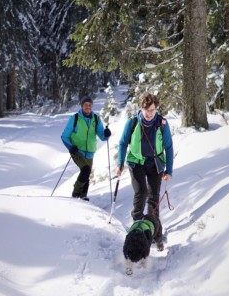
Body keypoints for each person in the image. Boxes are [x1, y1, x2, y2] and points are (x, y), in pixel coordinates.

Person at [116, 93, 173, 250]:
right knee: (141, 192)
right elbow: (122, 143)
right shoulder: (133, 122)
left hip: (155, 163)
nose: (149, 113)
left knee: (154, 195)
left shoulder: (162, 123)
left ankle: (153, 230)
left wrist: (169, 170)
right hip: (136, 162)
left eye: (152, 110)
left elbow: (168, 147)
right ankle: (137, 225)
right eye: (146, 110)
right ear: (141, 108)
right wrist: (120, 163)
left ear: (156, 109)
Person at [61, 95, 111, 200]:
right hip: (77, 150)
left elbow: (102, 136)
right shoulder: (75, 118)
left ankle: (83, 196)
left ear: (92, 106)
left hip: (90, 152)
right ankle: (76, 193)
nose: (88, 107)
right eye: (85, 105)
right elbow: (64, 136)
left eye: (90, 105)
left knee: (86, 173)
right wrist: (70, 147)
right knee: (85, 169)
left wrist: (107, 134)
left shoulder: (96, 119)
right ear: (82, 106)